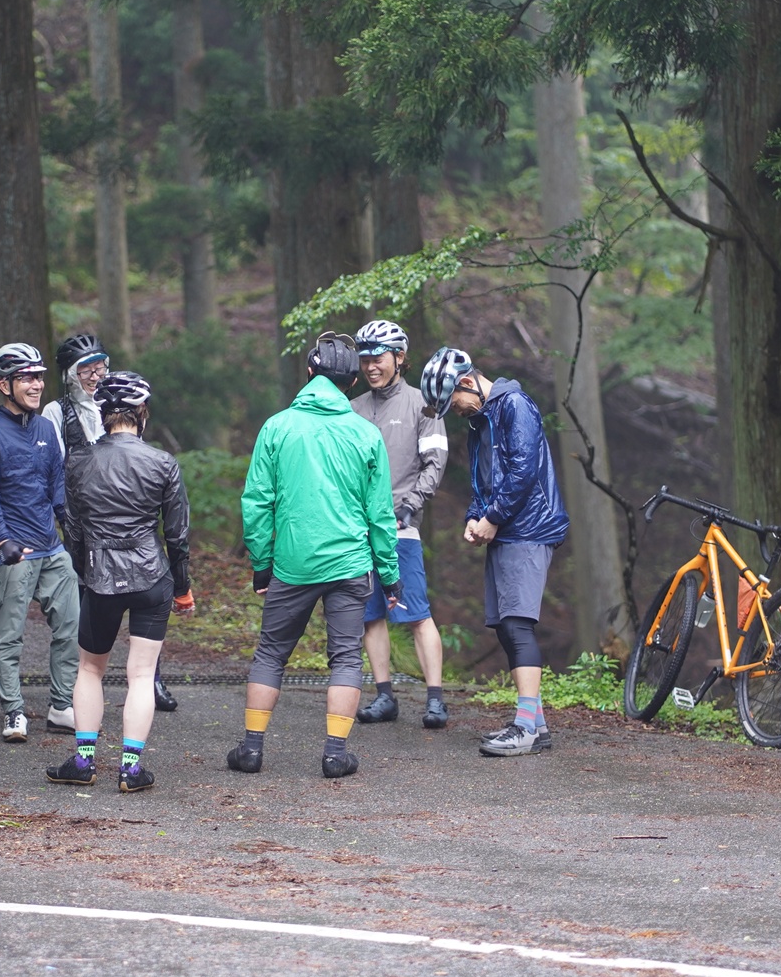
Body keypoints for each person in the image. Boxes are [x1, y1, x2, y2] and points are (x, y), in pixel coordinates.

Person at [228, 332, 401, 780]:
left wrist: (262, 563)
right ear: (351, 382)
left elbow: (257, 502)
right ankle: (335, 754)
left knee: (270, 653)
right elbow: (380, 513)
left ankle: (251, 749)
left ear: (309, 373)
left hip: (293, 562)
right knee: (346, 658)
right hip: (350, 563)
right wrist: (389, 573)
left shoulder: (277, 427)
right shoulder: (366, 434)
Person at [46, 372, 192, 793]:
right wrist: (182, 586)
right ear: (142, 413)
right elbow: (177, 534)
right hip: (152, 576)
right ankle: (130, 768)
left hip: (100, 577)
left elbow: (73, 529)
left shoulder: (79, 461)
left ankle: (83, 762)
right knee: (142, 674)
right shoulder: (163, 462)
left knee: (90, 669)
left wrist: (84, 571)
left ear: (104, 414)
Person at [420, 346, 569, 757]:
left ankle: (524, 728)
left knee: (518, 624)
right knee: (505, 626)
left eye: (453, 401)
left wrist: (494, 516)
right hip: (506, 531)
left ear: (467, 382)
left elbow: (523, 470)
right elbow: (483, 479)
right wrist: (475, 516)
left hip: (529, 529)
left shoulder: (514, 405)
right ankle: (536, 725)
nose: (455, 411)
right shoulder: (480, 420)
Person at [42, 333, 179, 714]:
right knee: (88, 612)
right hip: (84, 516)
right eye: (85, 369)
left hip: (126, 520)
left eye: (100, 366)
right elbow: (56, 467)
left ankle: (150, 679)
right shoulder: (57, 412)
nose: (95, 375)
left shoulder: (120, 401)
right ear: (70, 375)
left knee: (144, 604)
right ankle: (76, 692)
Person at [0, 343, 80, 742]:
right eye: (27, 378)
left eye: (40, 377)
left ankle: (62, 706)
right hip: (14, 553)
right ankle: (14, 712)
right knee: (9, 637)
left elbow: (55, 483)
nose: (37, 385)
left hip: (51, 548)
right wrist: (1, 540)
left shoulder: (46, 429)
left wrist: (70, 530)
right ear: (4, 385)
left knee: (72, 627)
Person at [351, 319, 450, 730]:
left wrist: (411, 505)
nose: (370, 366)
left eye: (378, 358)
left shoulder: (422, 405)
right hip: (357, 531)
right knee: (370, 614)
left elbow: (435, 462)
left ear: (399, 358)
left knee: (416, 613)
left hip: (400, 527)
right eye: (365, 359)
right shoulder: (352, 408)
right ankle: (384, 696)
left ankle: (436, 699)